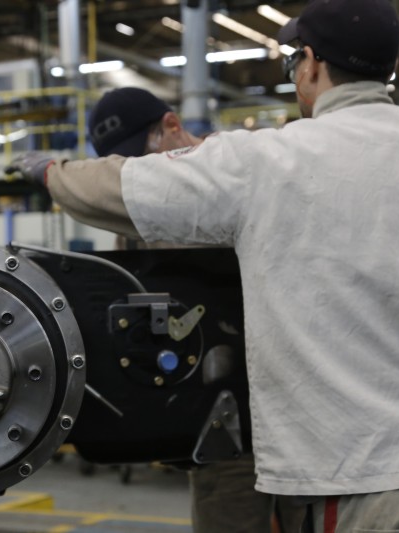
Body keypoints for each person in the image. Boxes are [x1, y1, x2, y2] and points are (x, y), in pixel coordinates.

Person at [9, 0, 399, 530]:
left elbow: (121, 188)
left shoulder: (272, 161)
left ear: (310, 64)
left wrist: (51, 171)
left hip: (375, 480)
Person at [86, 86, 275, 533]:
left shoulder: (241, 175)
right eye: (123, 164)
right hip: (221, 429)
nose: (137, 173)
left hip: (294, 411)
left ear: (172, 126)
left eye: (140, 155)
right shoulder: (137, 212)